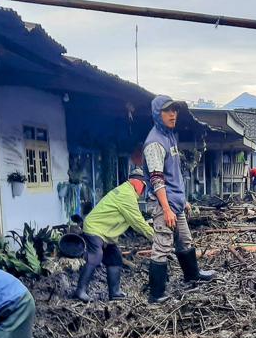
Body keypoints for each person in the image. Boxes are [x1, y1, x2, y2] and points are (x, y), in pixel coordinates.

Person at [142, 95, 215, 303]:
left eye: (174, 110)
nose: (173, 114)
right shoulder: (154, 142)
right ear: (158, 114)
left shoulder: (170, 135)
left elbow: (174, 173)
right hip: (162, 204)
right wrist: (166, 208)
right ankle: (156, 295)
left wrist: (182, 200)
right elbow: (157, 179)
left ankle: (192, 275)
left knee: (185, 240)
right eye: (167, 111)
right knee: (163, 246)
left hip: (175, 202)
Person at [73, 169, 155, 302]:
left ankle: (115, 293)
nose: (144, 191)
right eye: (144, 186)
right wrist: (155, 238)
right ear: (139, 183)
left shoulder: (126, 191)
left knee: (115, 258)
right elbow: (138, 222)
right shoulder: (126, 195)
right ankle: (80, 290)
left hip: (105, 233)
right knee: (96, 255)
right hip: (95, 229)